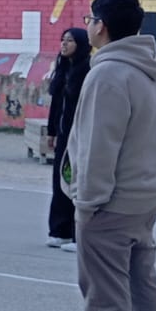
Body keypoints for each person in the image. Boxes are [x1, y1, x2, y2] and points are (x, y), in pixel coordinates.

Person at [39, 0, 156, 311]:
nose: (87, 25)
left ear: (101, 26)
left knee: (104, 291)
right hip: (145, 195)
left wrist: (88, 202)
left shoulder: (109, 74)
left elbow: (100, 145)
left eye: (89, 19)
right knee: (141, 283)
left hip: (110, 201)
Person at [43, 27, 91, 251]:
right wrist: (52, 132)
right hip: (63, 135)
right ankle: (59, 231)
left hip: (80, 135)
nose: (64, 44)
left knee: (76, 183)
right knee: (60, 180)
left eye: (70, 41)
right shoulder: (63, 69)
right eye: (63, 40)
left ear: (80, 44)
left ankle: (77, 235)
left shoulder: (88, 70)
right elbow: (56, 105)